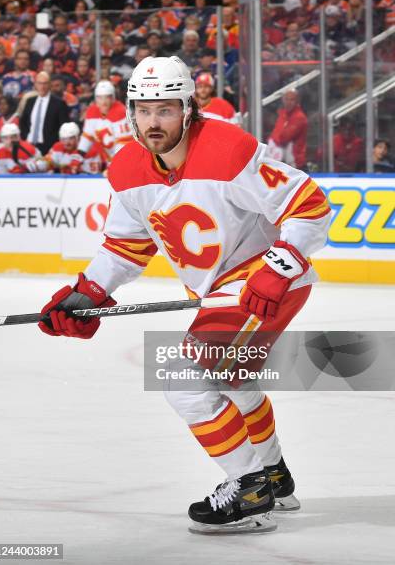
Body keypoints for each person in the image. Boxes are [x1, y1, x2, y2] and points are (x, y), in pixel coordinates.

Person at [38, 56, 330, 534]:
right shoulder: (127, 168)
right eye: (144, 110)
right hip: (223, 290)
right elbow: (125, 247)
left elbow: (309, 204)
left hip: (263, 284)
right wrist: (87, 292)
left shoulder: (229, 149)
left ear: (188, 109)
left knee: (183, 378)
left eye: (166, 110)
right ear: (131, 113)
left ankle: (248, 487)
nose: (154, 122)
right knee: (232, 381)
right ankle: (274, 478)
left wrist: (280, 266)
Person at [78, 80, 132, 167]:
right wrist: (79, 155)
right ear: (96, 98)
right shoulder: (92, 111)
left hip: (126, 158)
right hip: (107, 157)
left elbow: (123, 143)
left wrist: (114, 164)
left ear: (113, 98)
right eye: (100, 98)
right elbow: (87, 136)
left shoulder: (120, 111)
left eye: (107, 97)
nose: (104, 102)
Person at [19, 71, 69, 155]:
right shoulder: (30, 101)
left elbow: (64, 127)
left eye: (45, 83)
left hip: (49, 148)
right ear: (35, 84)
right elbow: (23, 122)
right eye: (40, 83)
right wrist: (25, 138)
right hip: (29, 145)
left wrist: (55, 146)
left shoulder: (59, 103)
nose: (42, 87)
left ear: (50, 85)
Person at [268, 90, 308, 169]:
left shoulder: (299, 117)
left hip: (296, 162)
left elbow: (284, 138)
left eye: (292, 99)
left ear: (297, 101)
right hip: (283, 160)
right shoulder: (282, 114)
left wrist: (273, 140)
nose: (288, 102)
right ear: (283, 100)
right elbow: (275, 134)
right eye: (286, 99)